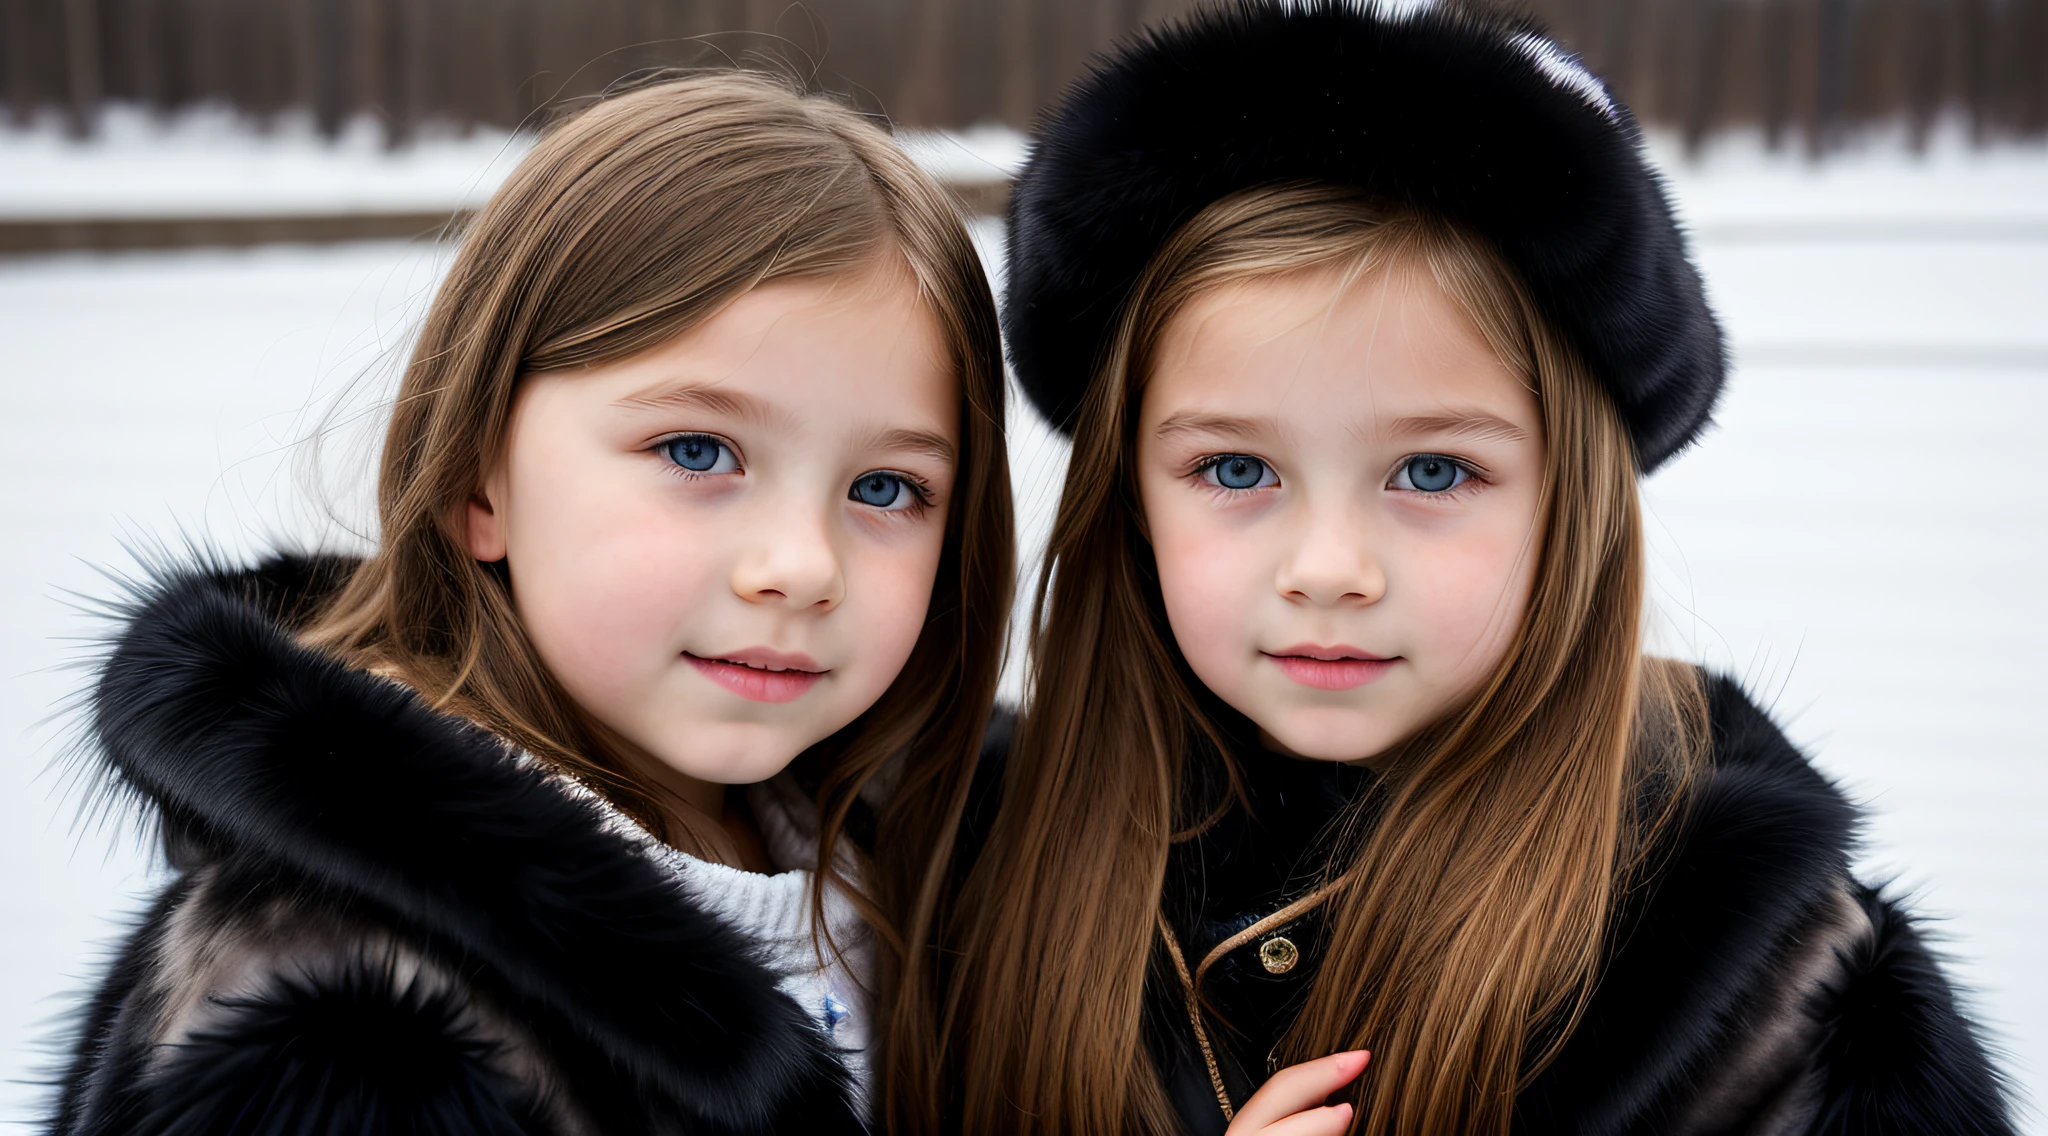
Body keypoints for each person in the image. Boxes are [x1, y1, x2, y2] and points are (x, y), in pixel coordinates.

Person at [936, 3, 2016, 1134]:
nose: (1329, 568)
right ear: (1130, 498)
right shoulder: (967, 863)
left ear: (1569, 500)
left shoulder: (1753, 987)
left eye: (1435, 471)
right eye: (1234, 466)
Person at [48, 70, 1012, 1134]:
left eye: (885, 488)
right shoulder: (357, 1013)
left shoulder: (907, 859)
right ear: (477, 478)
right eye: (698, 450)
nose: (801, 564)